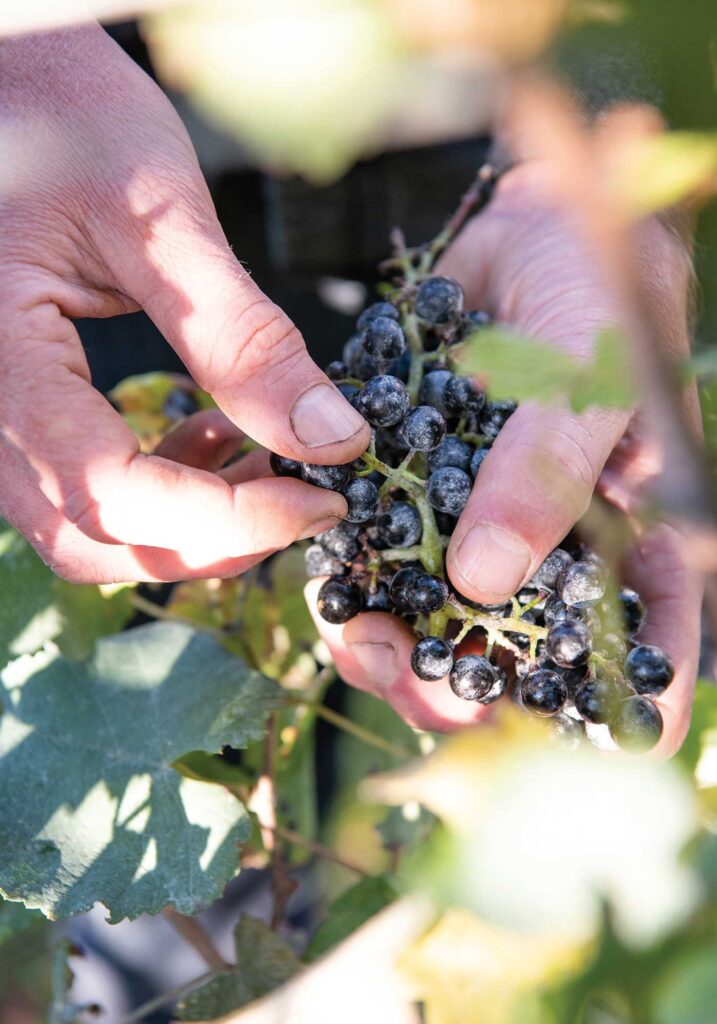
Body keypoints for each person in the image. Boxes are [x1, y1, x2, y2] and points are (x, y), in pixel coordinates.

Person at [0, 24, 702, 757]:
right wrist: (18, 52)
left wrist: (604, 157)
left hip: (477, 135)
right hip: (75, 202)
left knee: (337, 698)